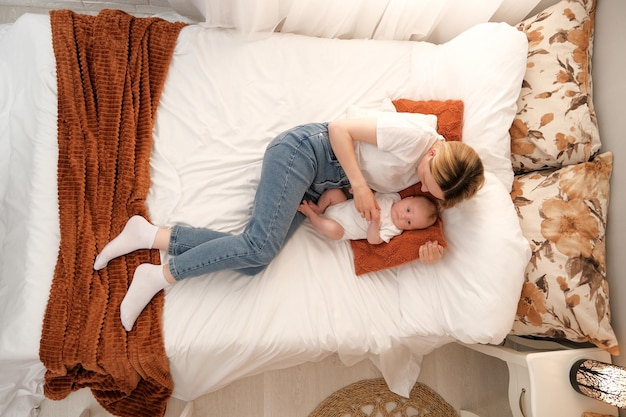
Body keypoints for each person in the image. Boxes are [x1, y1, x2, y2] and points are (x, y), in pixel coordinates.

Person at [94, 113, 485, 331]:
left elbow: (417, 217)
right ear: (435, 152)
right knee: (258, 247)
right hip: (307, 153)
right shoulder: (413, 134)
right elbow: (339, 128)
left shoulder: (438, 178)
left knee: (253, 263)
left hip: (322, 189)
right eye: (427, 179)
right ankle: (160, 275)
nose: (423, 186)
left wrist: (427, 251)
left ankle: (149, 234)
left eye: (431, 190)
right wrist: (360, 186)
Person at [298, 188, 439, 244]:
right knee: (334, 193)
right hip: (340, 205)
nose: (403, 217)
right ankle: (319, 208)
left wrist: (375, 223)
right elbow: (373, 191)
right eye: (408, 210)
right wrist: (359, 191)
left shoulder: (393, 229)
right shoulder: (392, 197)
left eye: (409, 222)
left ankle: (311, 214)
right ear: (408, 198)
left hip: (342, 228)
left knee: (333, 230)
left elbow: (373, 240)